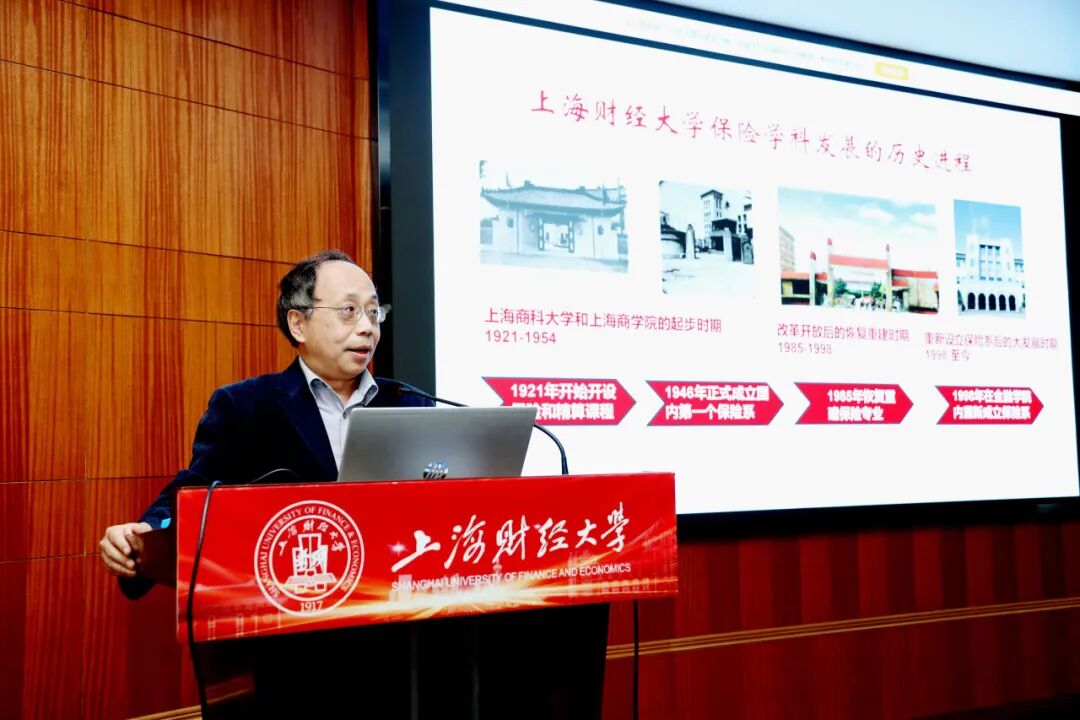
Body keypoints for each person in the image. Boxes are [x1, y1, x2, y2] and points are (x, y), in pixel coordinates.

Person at [98, 250, 430, 596]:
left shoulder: (410, 404)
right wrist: (141, 536)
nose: (366, 328)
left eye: (373, 313)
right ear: (298, 324)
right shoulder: (244, 407)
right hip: (291, 608)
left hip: (391, 605)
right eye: (349, 311)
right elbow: (195, 495)